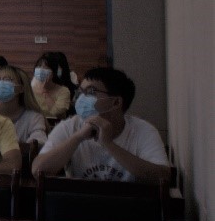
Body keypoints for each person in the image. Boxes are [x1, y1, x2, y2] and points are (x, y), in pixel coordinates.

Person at [32, 67, 169, 182]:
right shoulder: (69, 126)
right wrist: (78, 137)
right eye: (81, 92)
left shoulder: (143, 130)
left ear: (116, 102)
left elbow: (163, 176)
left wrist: (108, 144)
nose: (81, 98)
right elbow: (38, 170)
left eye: (91, 92)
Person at [0, 65, 48, 147]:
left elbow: (38, 143)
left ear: (21, 88)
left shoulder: (34, 118)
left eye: (7, 80)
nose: (1, 83)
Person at [32, 53, 72, 118]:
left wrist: (44, 91)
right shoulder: (30, 89)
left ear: (53, 72)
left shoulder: (63, 91)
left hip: (54, 123)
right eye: (39, 66)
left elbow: (57, 113)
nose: (41, 70)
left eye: (46, 67)